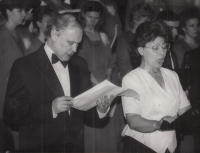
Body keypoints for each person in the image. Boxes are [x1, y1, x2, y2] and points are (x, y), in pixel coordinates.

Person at [3, 13, 113, 152]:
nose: (74, 50)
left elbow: (85, 111)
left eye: (78, 45)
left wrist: (101, 110)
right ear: (55, 34)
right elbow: (11, 116)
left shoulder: (80, 64)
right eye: (70, 43)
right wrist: (51, 109)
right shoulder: (24, 66)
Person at [121, 21, 191, 153]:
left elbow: (186, 113)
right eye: (155, 48)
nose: (162, 53)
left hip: (171, 145)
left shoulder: (172, 76)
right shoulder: (131, 79)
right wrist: (158, 124)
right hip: (141, 146)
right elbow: (133, 120)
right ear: (141, 50)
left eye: (164, 47)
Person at [0, 0, 27, 150]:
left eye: (24, 11)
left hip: (15, 98)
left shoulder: (17, 34)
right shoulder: (1, 35)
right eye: (19, 10)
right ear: (8, 12)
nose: (24, 14)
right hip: (3, 97)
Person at [115, 2, 154, 82]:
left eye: (149, 20)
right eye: (145, 20)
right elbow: (125, 68)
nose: (148, 23)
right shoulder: (123, 39)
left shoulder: (149, 38)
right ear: (136, 19)